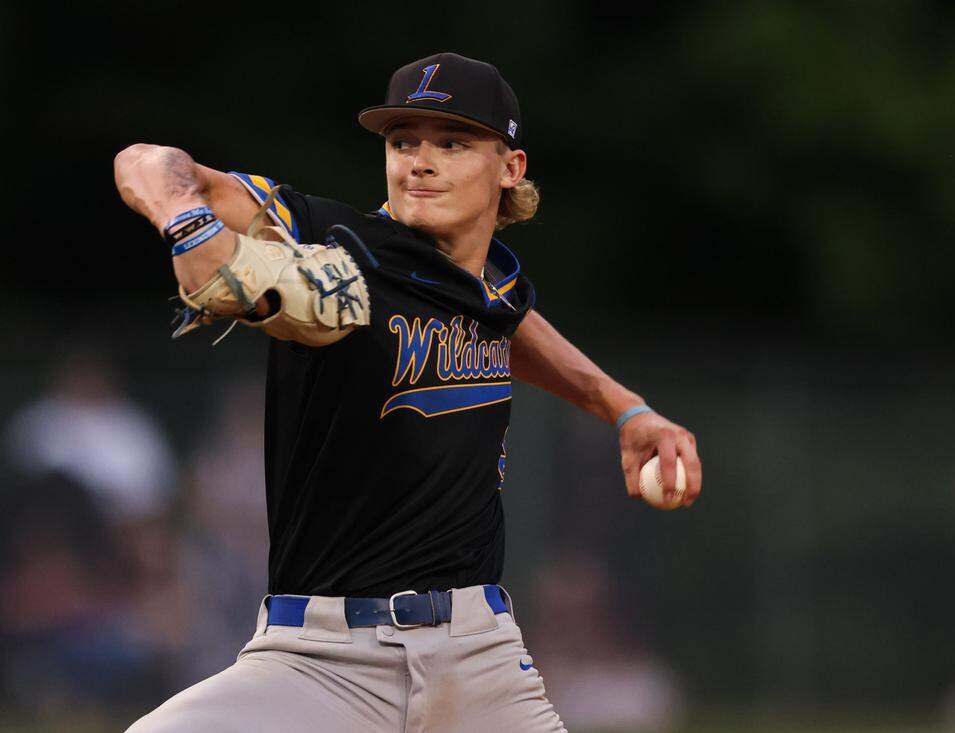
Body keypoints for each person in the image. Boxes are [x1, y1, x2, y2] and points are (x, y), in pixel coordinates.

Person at [113, 52, 703, 733]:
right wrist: (187, 220)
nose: (421, 160)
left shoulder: (493, 287)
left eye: (452, 142)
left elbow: (504, 322)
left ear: (510, 168)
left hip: (480, 657)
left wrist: (624, 407)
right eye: (404, 142)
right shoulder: (344, 244)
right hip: (319, 659)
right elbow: (147, 160)